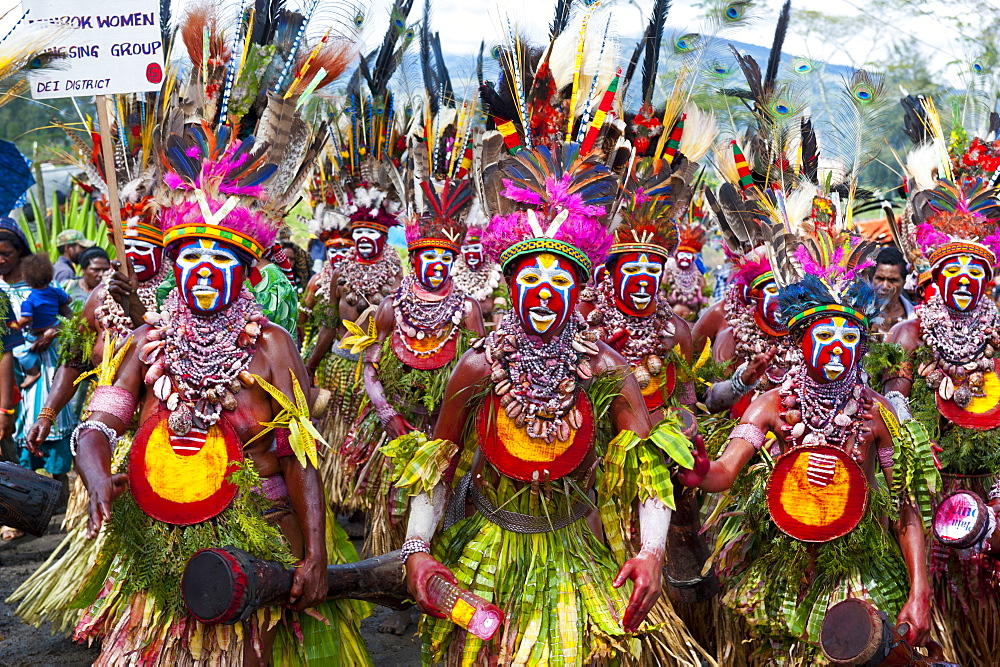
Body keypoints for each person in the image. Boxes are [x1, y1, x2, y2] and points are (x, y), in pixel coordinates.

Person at [69, 6, 371, 663]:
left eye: (222, 262)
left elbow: (299, 456)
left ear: (245, 270)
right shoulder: (150, 341)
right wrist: (95, 472)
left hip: (257, 543)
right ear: (177, 264)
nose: (205, 273)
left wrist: (315, 552)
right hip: (159, 543)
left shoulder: (270, 345)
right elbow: (99, 423)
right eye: (192, 260)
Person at [680, 216, 935, 662]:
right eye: (824, 334)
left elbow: (905, 510)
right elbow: (724, 472)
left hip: (859, 567)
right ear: (799, 341)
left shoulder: (878, 412)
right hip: (788, 565)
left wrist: (920, 589)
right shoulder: (772, 404)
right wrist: (702, 472)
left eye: (849, 336)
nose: (838, 346)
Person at [877, 175, 1000, 662]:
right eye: (955, 267)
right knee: (936, 586)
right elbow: (894, 399)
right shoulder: (910, 333)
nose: (965, 277)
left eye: (976, 267)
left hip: (990, 476)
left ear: (987, 279)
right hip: (931, 482)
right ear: (938, 275)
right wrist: (911, 438)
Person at [15, 254, 72, 390]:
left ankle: (33, 372)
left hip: (35, 335)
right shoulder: (56, 292)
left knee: (18, 352)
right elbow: (68, 300)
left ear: (27, 278)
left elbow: (27, 319)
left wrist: (14, 326)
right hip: (53, 331)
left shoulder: (29, 299)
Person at [870, 244, 915, 339]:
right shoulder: (858, 314)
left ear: (904, 282)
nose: (885, 286)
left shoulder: (915, 316)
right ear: (872, 278)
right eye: (880, 278)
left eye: (893, 280)